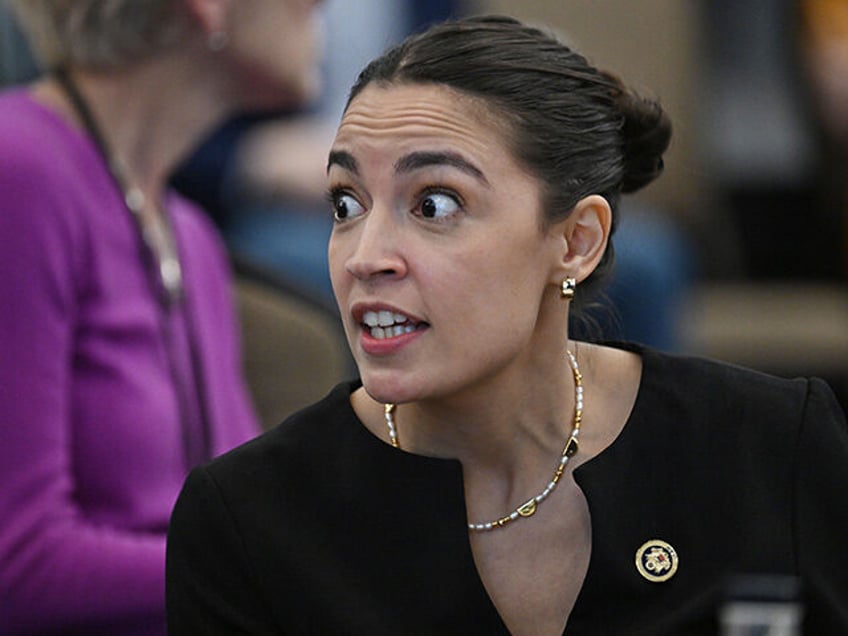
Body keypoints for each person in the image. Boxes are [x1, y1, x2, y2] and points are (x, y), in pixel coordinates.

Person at [165, 14, 848, 635]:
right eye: (346, 203)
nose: (365, 257)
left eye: (434, 204)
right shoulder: (247, 519)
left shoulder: (772, 446)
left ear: (576, 241)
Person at [0, 0, 324, 634]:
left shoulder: (191, 234)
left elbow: (242, 519)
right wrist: (293, 566)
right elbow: (17, 564)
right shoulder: (19, 172)